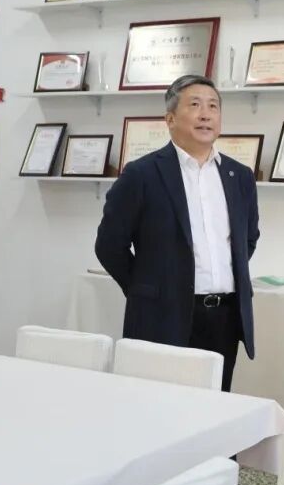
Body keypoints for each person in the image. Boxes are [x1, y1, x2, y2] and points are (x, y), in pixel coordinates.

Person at [95, 74, 259, 392]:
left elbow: (247, 240)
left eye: (213, 106)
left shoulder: (239, 176)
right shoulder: (142, 174)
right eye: (194, 105)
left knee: (215, 407)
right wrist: (147, 290)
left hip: (224, 318)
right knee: (160, 405)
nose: (205, 114)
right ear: (170, 119)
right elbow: (109, 245)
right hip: (163, 316)